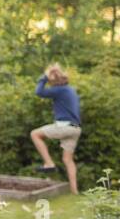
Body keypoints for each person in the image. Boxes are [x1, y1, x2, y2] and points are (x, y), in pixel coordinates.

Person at [31, 63, 82, 195]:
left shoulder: (59, 90)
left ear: (54, 80)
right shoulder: (71, 90)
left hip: (64, 126)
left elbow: (39, 92)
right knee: (68, 160)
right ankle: (74, 191)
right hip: (75, 128)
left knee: (35, 134)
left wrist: (44, 77)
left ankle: (49, 163)